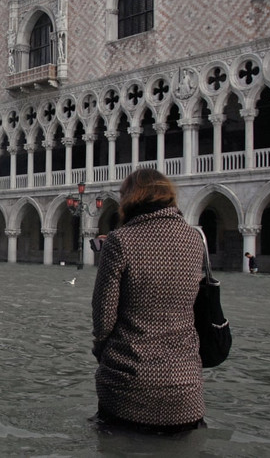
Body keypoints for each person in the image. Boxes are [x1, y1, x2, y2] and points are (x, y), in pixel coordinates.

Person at [91, 169, 206, 434]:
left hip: (128, 387)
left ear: (131, 198)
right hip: (186, 389)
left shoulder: (120, 240)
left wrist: (102, 352)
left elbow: (103, 316)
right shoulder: (194, 239)